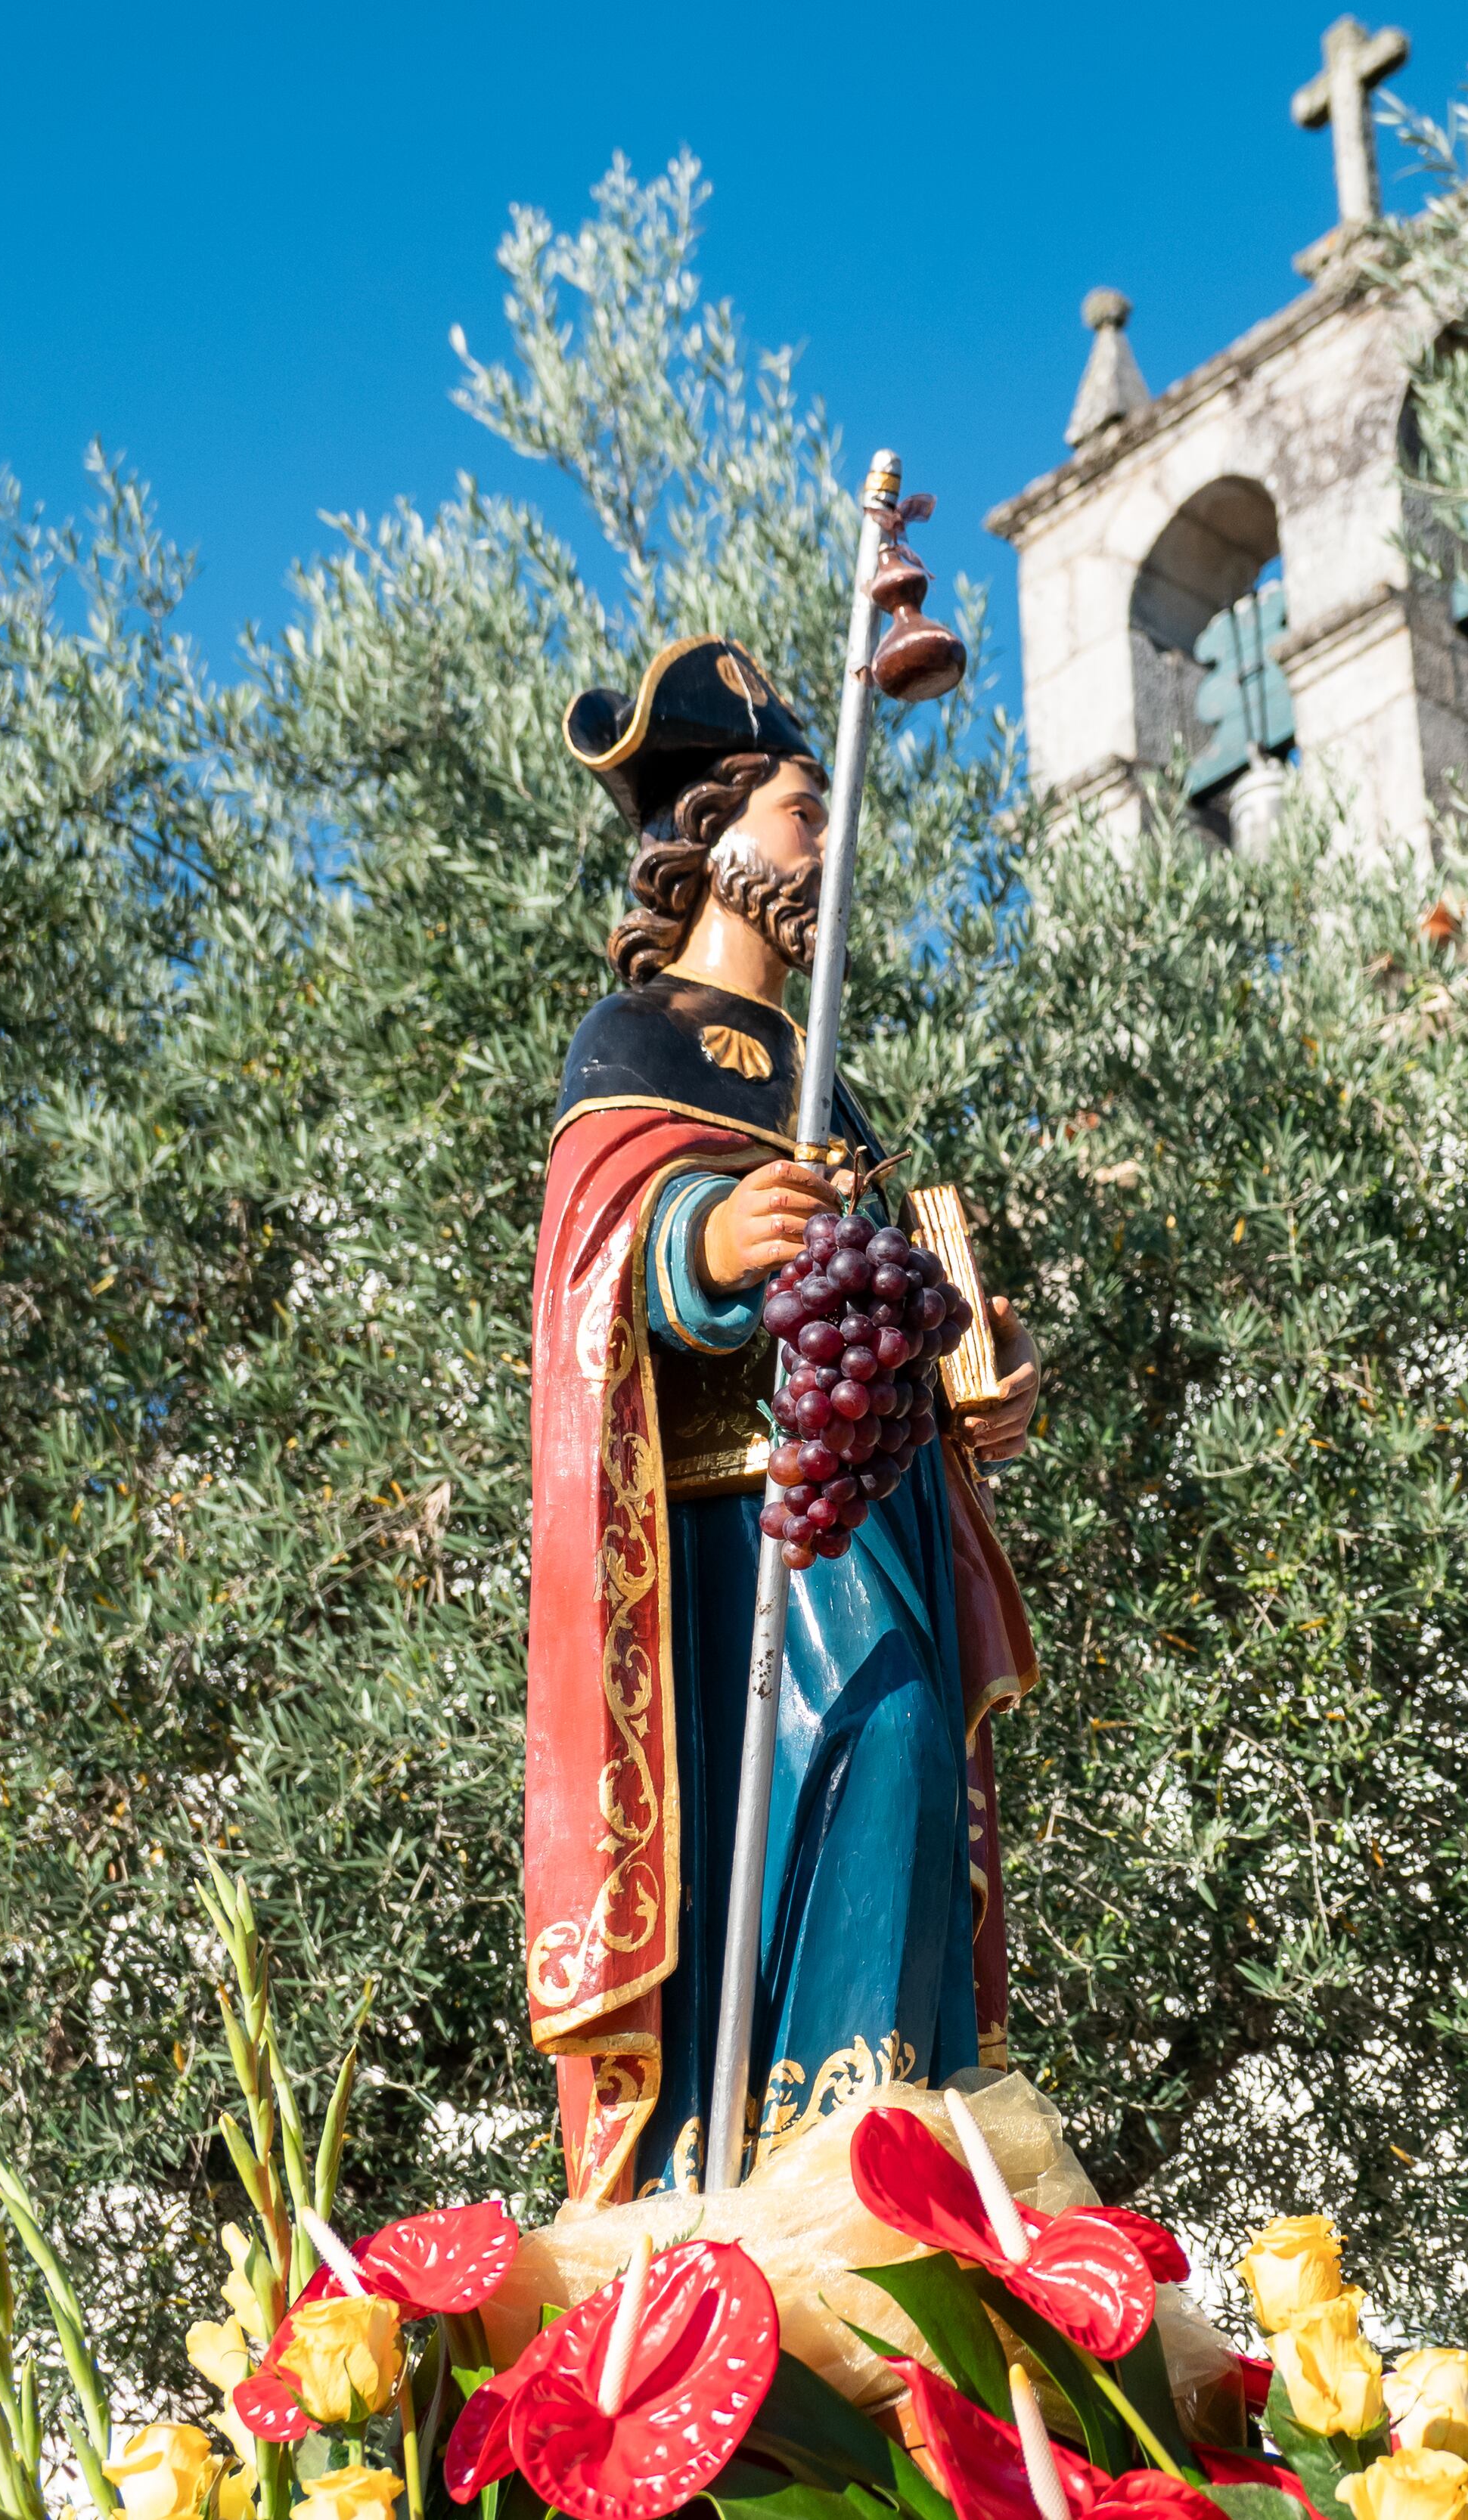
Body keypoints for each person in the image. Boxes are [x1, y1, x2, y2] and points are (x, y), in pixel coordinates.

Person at [523, 634, 1045, 2204]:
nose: (831, 842)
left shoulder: (828, 1079)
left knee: (909, 1781)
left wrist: (970, 1372)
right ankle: (789, 2155)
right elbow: (598, 1249)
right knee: (859, 1742)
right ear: (711, 829)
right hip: (738, 1531)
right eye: (808, 809)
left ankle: (886, 2140)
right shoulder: (640, 1042)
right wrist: (704, 1241)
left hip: (867, 1502)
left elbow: (878, 1301)